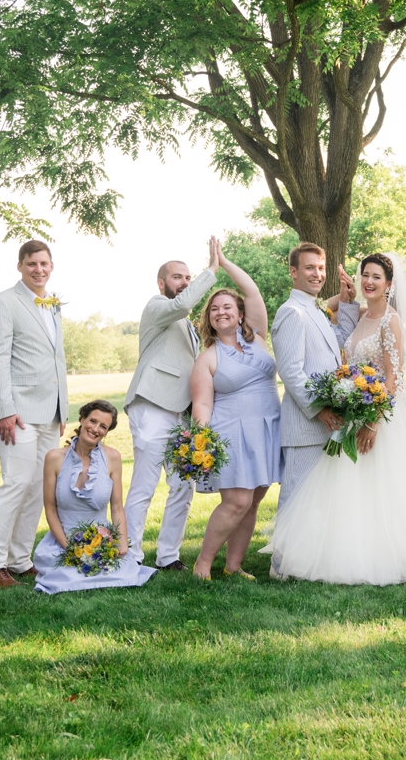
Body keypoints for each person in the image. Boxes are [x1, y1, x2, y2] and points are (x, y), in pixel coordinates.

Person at [264, 253, 406, 584]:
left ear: (389, 284)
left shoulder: (391, 320)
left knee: (379, 490)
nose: (369, 281)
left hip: (380, 419)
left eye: (376, 277)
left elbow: (393, 377)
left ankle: (384, 556)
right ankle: (339, 553)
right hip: (354, 414)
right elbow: (339, 343)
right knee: (350, 491)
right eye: (365, 276)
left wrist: (373, 420)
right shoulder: (359, 317)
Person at [122, 239, 220, 571]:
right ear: (162, 283)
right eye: (177, 277)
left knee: (182, 485)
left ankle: (168, 556)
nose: (184, 282)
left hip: (180, 414)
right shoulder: (157, 307)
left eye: (188, 277)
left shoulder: (188, 327)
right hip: (151, 405)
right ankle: (131, 555)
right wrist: (212, 271)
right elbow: (181, 304)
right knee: (144, 486)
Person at [0, 240, 70, 588]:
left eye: (44, 263)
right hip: (17, 411)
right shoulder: (6, 302)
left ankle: (19, 558)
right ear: (20, 266)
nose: (39, 270)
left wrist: (63, 407)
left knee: (37, 487)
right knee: (16, 483)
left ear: (51, 265)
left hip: (50, 411)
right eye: (31, 264)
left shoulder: (54, 306)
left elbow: (56, 359)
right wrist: (4, 408)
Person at [188, 250, 280, 580]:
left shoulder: (257, 338)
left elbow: (252, 291)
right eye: (214, 309)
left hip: (267, 427)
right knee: (236, 502)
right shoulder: (208, 359)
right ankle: (203, 562)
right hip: (232, 433)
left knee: (253, 502)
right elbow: (202, 405)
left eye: (227, 306)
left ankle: (233, 566)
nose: (221, 312)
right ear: (209, 319)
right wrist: (202, 441)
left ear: (240, 314)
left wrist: (224, 264)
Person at [269, 242, 359, 510]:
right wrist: (319, 409)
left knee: (319, 503)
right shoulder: (291, 312)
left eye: (321, 268)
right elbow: (291, 371)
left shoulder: (315, 309)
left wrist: (347, 303)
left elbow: (339, 340)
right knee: (297, 499)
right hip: (304, 427)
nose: (317, 274)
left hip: (326, 426)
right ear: (293, 272)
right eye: (309, 268)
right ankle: (283, 554)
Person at [32, 401, 155, 593]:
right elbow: (50, 509)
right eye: (93, 421)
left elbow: (116, 508)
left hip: (101, 540)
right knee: (63, 576)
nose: (95, 429)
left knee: (120, 572)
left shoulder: (112, 457)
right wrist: (69, 548)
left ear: (106, 432)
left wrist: (122, 542)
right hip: (63, 540)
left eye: (103, 426)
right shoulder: (54, 458)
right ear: (82, 419)